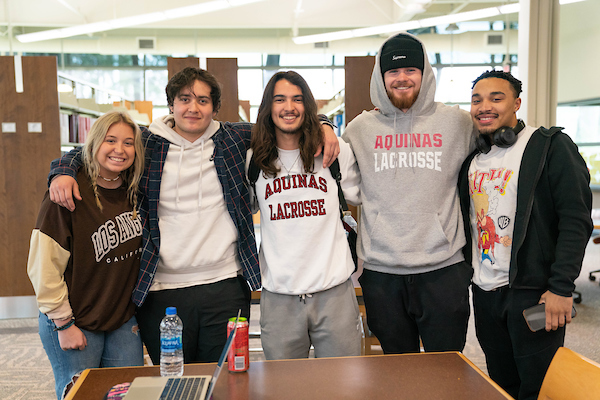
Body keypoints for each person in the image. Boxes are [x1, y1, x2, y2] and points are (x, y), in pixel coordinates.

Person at [47, 67, 339, 365]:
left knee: (224, 379)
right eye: (185, 99)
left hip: (225, 284)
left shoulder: (233, 138)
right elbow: (92, 150)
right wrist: (62, 171)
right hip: (161, 289)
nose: (193, 107)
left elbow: (285, 121)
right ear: (171, 104)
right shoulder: (147, 143)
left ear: (214, 108)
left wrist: (325, 124)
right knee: (173, 380)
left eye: (203, 100)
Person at [458, 70, 593, 400]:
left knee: (541, 386)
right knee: (503, 384)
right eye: (477, 99)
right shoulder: (473, 161)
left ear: (517, 103)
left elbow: (575, 220)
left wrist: (561, 287)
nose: (484, 106)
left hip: (534, 291)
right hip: (485, 291)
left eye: (496, 98)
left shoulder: (549, 147)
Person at [342, 32, 475, 354]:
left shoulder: (458, 123)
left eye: (411, 70)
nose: (402, 78)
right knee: (397, 370)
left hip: (443, 269)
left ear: (425, 72)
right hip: (382, 272)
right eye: (393, 72)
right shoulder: (359, 129)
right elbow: (347, 186)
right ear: (381, 77)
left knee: (447, 368)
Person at [27, 111, 145, 399]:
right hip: (73, 318)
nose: (120, 149)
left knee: (129, 394)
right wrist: (64, 323)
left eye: (129, 143)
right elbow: (44, 267)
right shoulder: (67, 191)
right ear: (93, 143)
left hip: (120, 318)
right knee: (82, 395)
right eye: (111, 140)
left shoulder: (135, 190)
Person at [248, 71, 362, 359]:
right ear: (268, 108)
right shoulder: (254, 161)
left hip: (334, 292)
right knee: (284, 388)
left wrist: (326, 126)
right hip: (279, 297)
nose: (289, 107)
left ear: (308, 106)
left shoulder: (334, 153)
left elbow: (365, 196)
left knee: (344, 387)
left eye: (298, 99)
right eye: (280, 99)